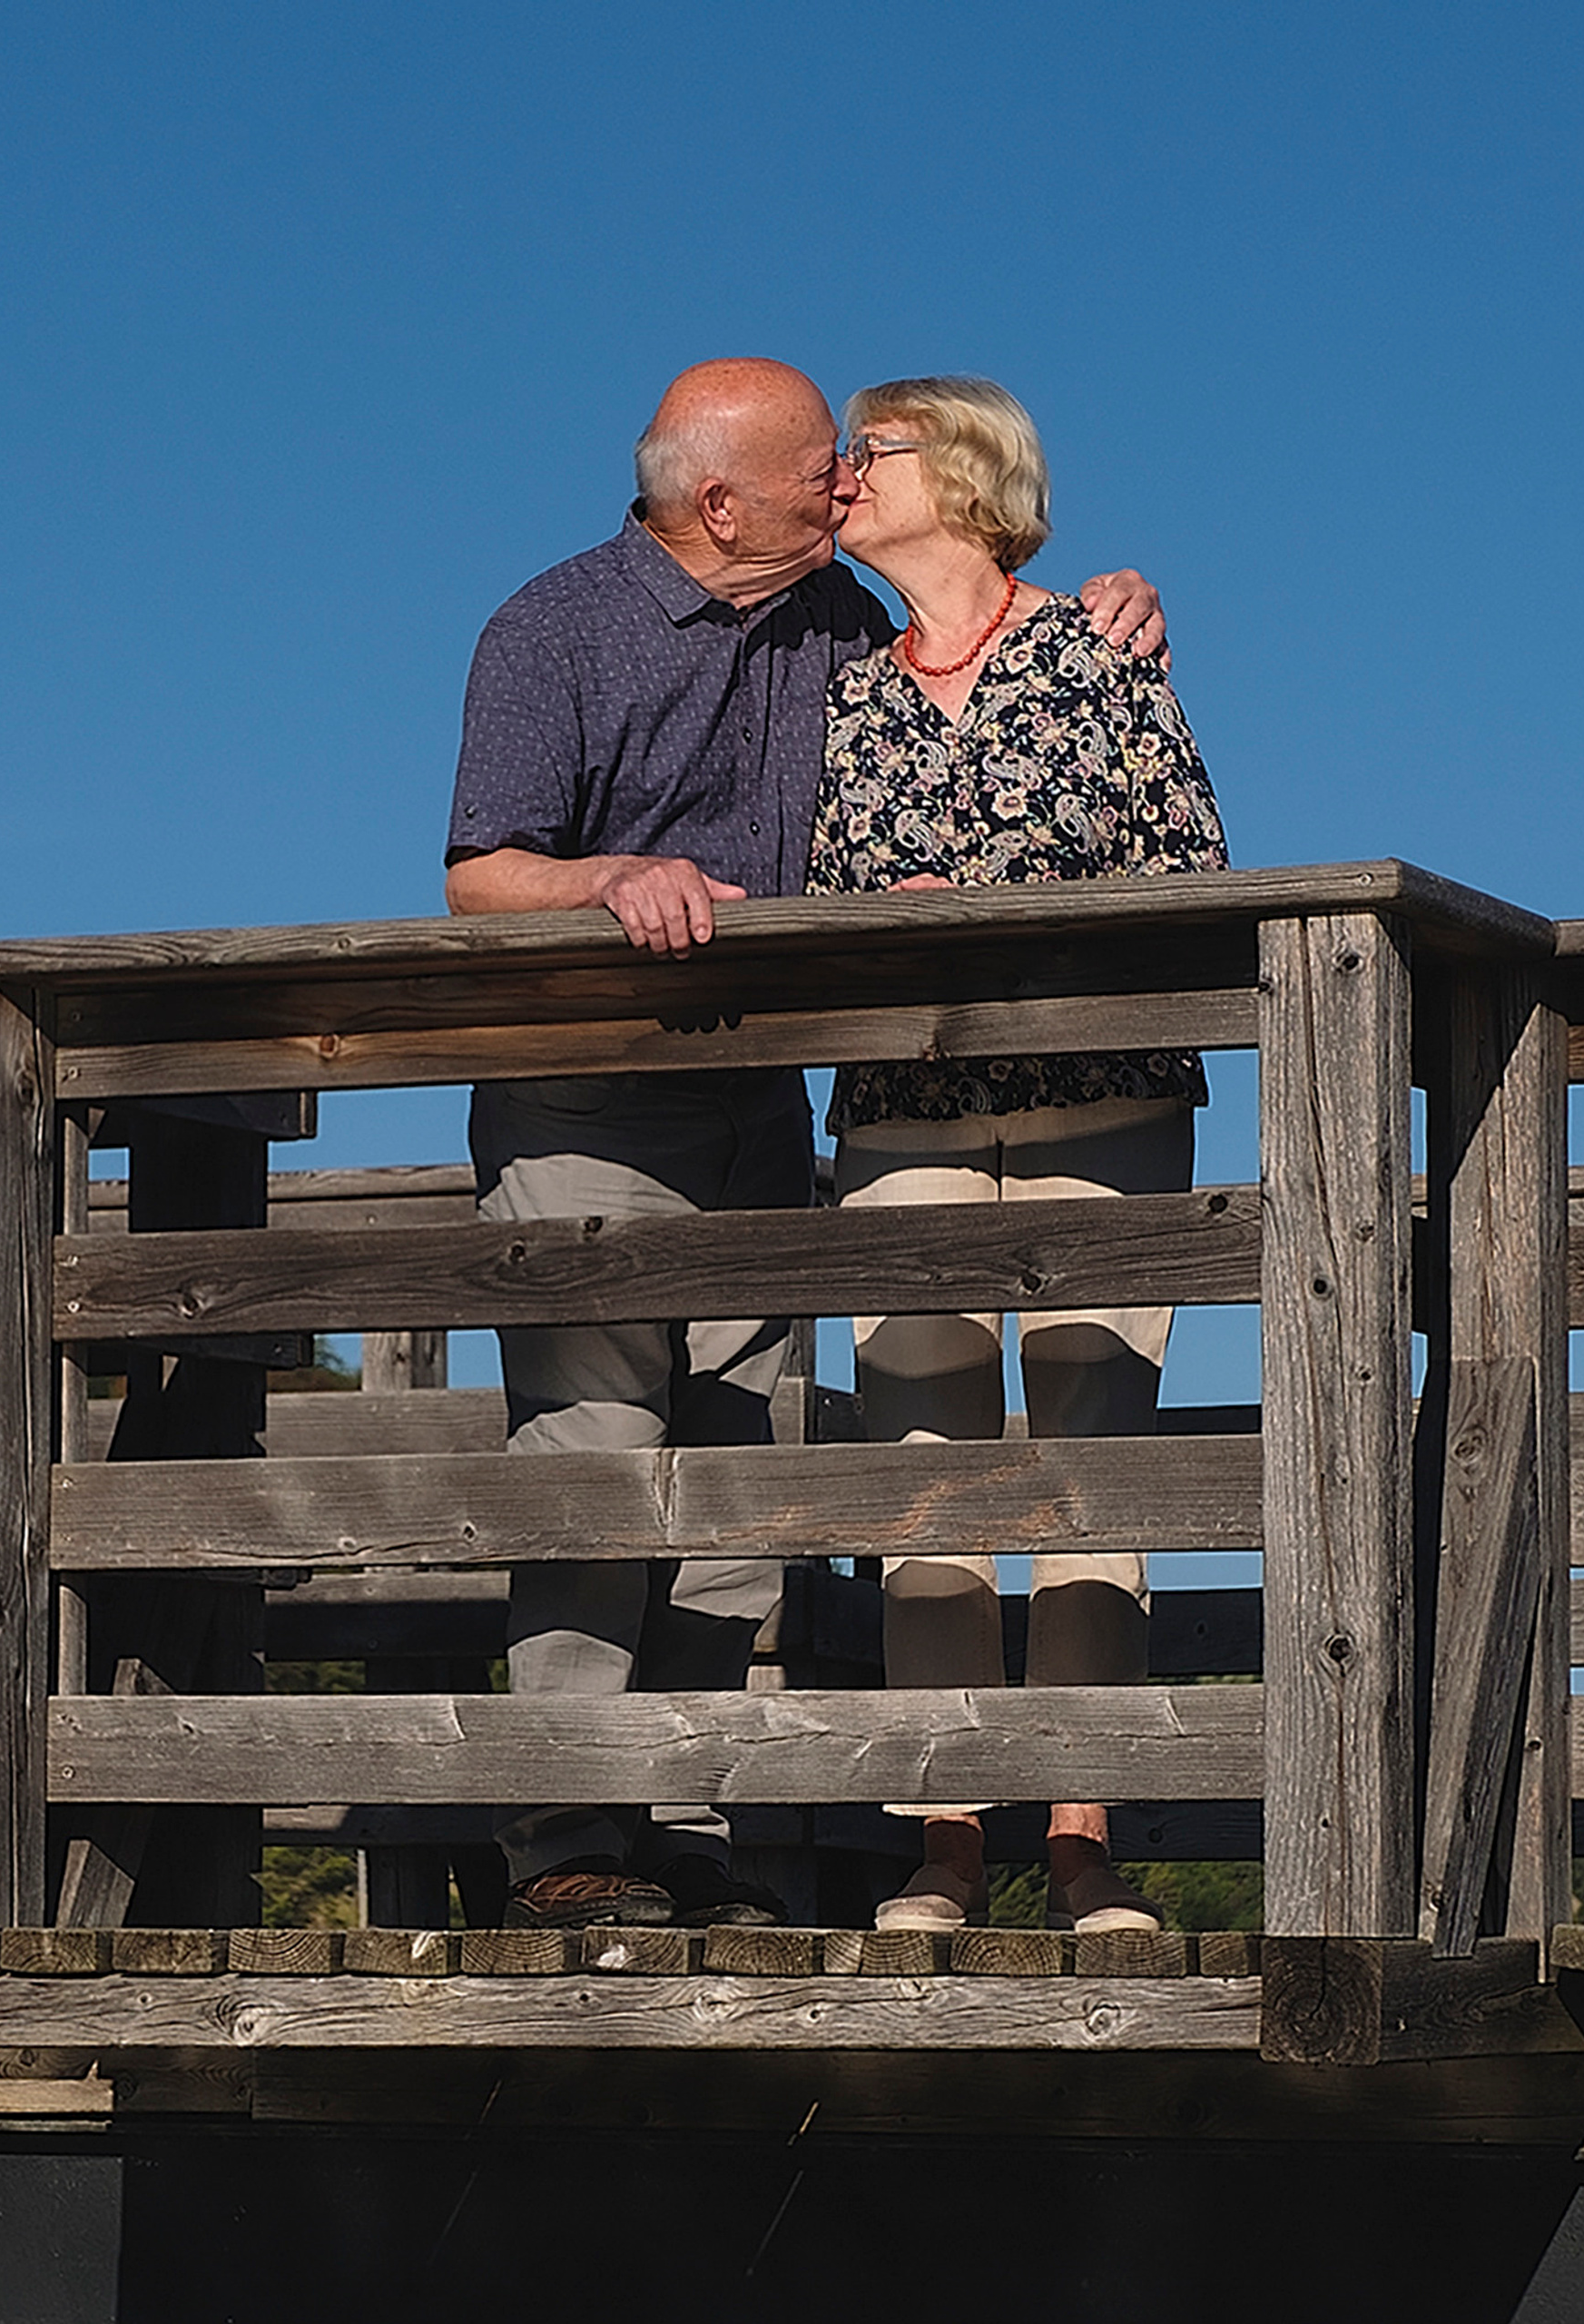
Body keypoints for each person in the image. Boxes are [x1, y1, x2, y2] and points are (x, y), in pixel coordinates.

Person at [444, 358, 1167, 1931]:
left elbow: (982, 624)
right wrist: (607, 879)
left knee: (737, 1490)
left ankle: (687, 1841)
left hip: (763, 1106)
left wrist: (1108, 595)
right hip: (587, 1105)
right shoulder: (552, 628)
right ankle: (569, 1842)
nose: (840, 482)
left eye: (858, 458)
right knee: (591, 1464)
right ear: (720, 503)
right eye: (814, 468)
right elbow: (481, 874)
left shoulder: (839, 626)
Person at [806, 375, 1227, 1935]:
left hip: (1100, 1104)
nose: (842, 477)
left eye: (872, 452)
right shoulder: (834, 683)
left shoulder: (1098, 652)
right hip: (899, 1118)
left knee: (1084, 1480)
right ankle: (944, 1844)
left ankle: (1080, 1843)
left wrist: (1008, 921)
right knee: (925, 1483)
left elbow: (1191, 869)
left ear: (965, 474)